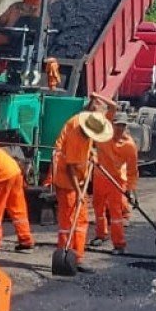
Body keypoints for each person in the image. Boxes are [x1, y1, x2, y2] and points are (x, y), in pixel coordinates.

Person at [52, 94, 115, 266]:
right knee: (71, 220)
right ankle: (70, 256)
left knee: (79, 219)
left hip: (75, 177)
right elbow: (70, 166)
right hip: (67, 180)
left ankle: (75, 256)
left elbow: (113, 107)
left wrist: (91, 154)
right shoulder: (76, 134)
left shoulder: (87, 121)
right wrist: (79, 192)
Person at [90, 113, 141, 252]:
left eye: (122, 126)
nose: (119, 128)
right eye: (117, 125)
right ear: (111, 125)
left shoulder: (129, 146)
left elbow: (132, 171)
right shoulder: (103, 137)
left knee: (116, 213)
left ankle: (119, 244)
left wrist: (131, 190)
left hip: (116, 181)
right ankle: (101, 234)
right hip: (100, 176)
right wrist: (92, 154)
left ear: (126, 127)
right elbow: (89, 140)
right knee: (98, 207)